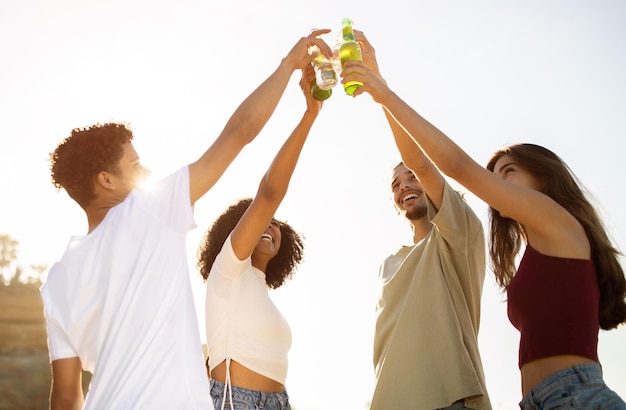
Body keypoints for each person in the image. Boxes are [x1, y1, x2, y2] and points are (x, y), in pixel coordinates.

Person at [40, 30, 332, 410]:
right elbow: (239, 133)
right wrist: (288, 64)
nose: (144, 171)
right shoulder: (147, 213)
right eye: (134, 164)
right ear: (106, 180)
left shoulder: (58, 279)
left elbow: (65, 395)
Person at [343, 31, 626, 410]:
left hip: (575, 395)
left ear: (544, 177)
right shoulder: (535, 248)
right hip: (540, 400)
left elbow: (450, 167)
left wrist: (384, 93)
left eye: (507, 171)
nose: (496, 181)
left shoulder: (560, 222)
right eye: (495, 173)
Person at [346, 32, 492, 410]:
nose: (404, 185)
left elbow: (423, 162)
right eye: (396, 183)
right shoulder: (387, 264)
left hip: (449, 399)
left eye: (411, 177)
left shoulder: (460, 236)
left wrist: (381, 90)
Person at [197, 62, 322, 410]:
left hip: (279, 402)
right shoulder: (228, 271)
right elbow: (269, 193)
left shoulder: (258, 290)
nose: (268, 225)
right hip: (236, 402)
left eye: (274, 223)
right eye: (259, 221)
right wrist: (310, 115)